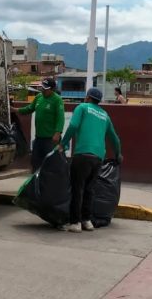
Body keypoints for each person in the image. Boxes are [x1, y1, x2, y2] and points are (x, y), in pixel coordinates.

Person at [58, 88, 121, 233]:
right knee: (89, 190)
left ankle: (75, 223)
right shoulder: (105, 115)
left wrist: (63, 144)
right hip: (98, 158)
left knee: (77, 189)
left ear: (87, 97)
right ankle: (87, 221)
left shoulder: (82, 107)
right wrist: (118, 154)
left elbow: (73, 125)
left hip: (82, 155)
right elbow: (115, 138)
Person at [12, 78, 65, 172]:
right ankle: (36, 182)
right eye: (42, 87)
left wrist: (58, 132)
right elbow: (29, 108)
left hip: (50, 139)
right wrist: (15, 110)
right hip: (39, 138)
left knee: (50, 163)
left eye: (46, 88)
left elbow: (60, 118)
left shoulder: (57, 100)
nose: (43, 90)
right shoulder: (39, 97)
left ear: (52, 89)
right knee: (35, 161)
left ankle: (49, 183)